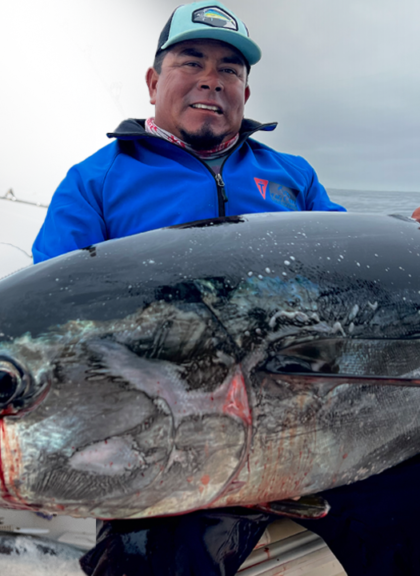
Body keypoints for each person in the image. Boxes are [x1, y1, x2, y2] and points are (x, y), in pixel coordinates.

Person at [33, 2, 420, 575]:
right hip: (178, 443)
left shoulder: (293, 175)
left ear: (245, 89)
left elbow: (356, 284)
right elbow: (49, 319)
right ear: (152, 80)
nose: (212, 79)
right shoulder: (96, 181)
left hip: (324, 427)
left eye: (230, 70)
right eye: (191, 61)